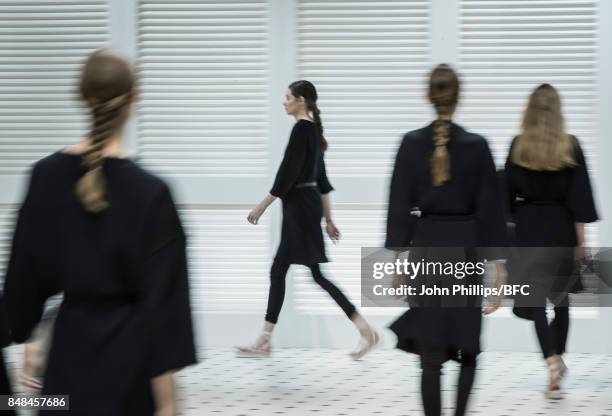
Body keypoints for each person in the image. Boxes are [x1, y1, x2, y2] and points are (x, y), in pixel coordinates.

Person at [3, 49, 197, 415]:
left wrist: (27, 339)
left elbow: (21, 290)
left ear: (81, 97)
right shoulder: (152, 194)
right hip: (131, 376)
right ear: (134, 100)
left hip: (66, 367)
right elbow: (164, 313)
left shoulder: (46, 178)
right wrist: (169, 404)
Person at [385, 64, 507, 416]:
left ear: (429, 96)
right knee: (468, 346)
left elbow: (398, 206)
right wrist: (499, 270)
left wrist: (397, 263)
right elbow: (491, 213)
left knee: (431, 355)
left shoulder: (410, 144)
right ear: (458, 98)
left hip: (427, 249)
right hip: (466, 252)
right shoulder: (478, 147)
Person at [237, 80, 379, 359]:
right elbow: (322, 182)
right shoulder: (313, 131)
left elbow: (287, 175)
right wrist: (328, 219)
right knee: (303, 273)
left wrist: (261, 206)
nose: (284, 101)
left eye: (288, 97)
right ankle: (365, 331)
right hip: (305, 209)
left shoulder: (302, 130)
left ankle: (266, 340)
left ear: (301, 100)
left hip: (299, 211)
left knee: (283, 271)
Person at [505, 83, 598, 398]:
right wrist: (580, 242)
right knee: (561, 301)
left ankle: (551, 362)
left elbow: (506, 198)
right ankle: (559, 358)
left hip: (529, 230)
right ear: (558, 110)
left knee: (533, 303)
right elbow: (580, 199)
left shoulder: (519, 146)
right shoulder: (570, 146)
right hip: (561, 229)